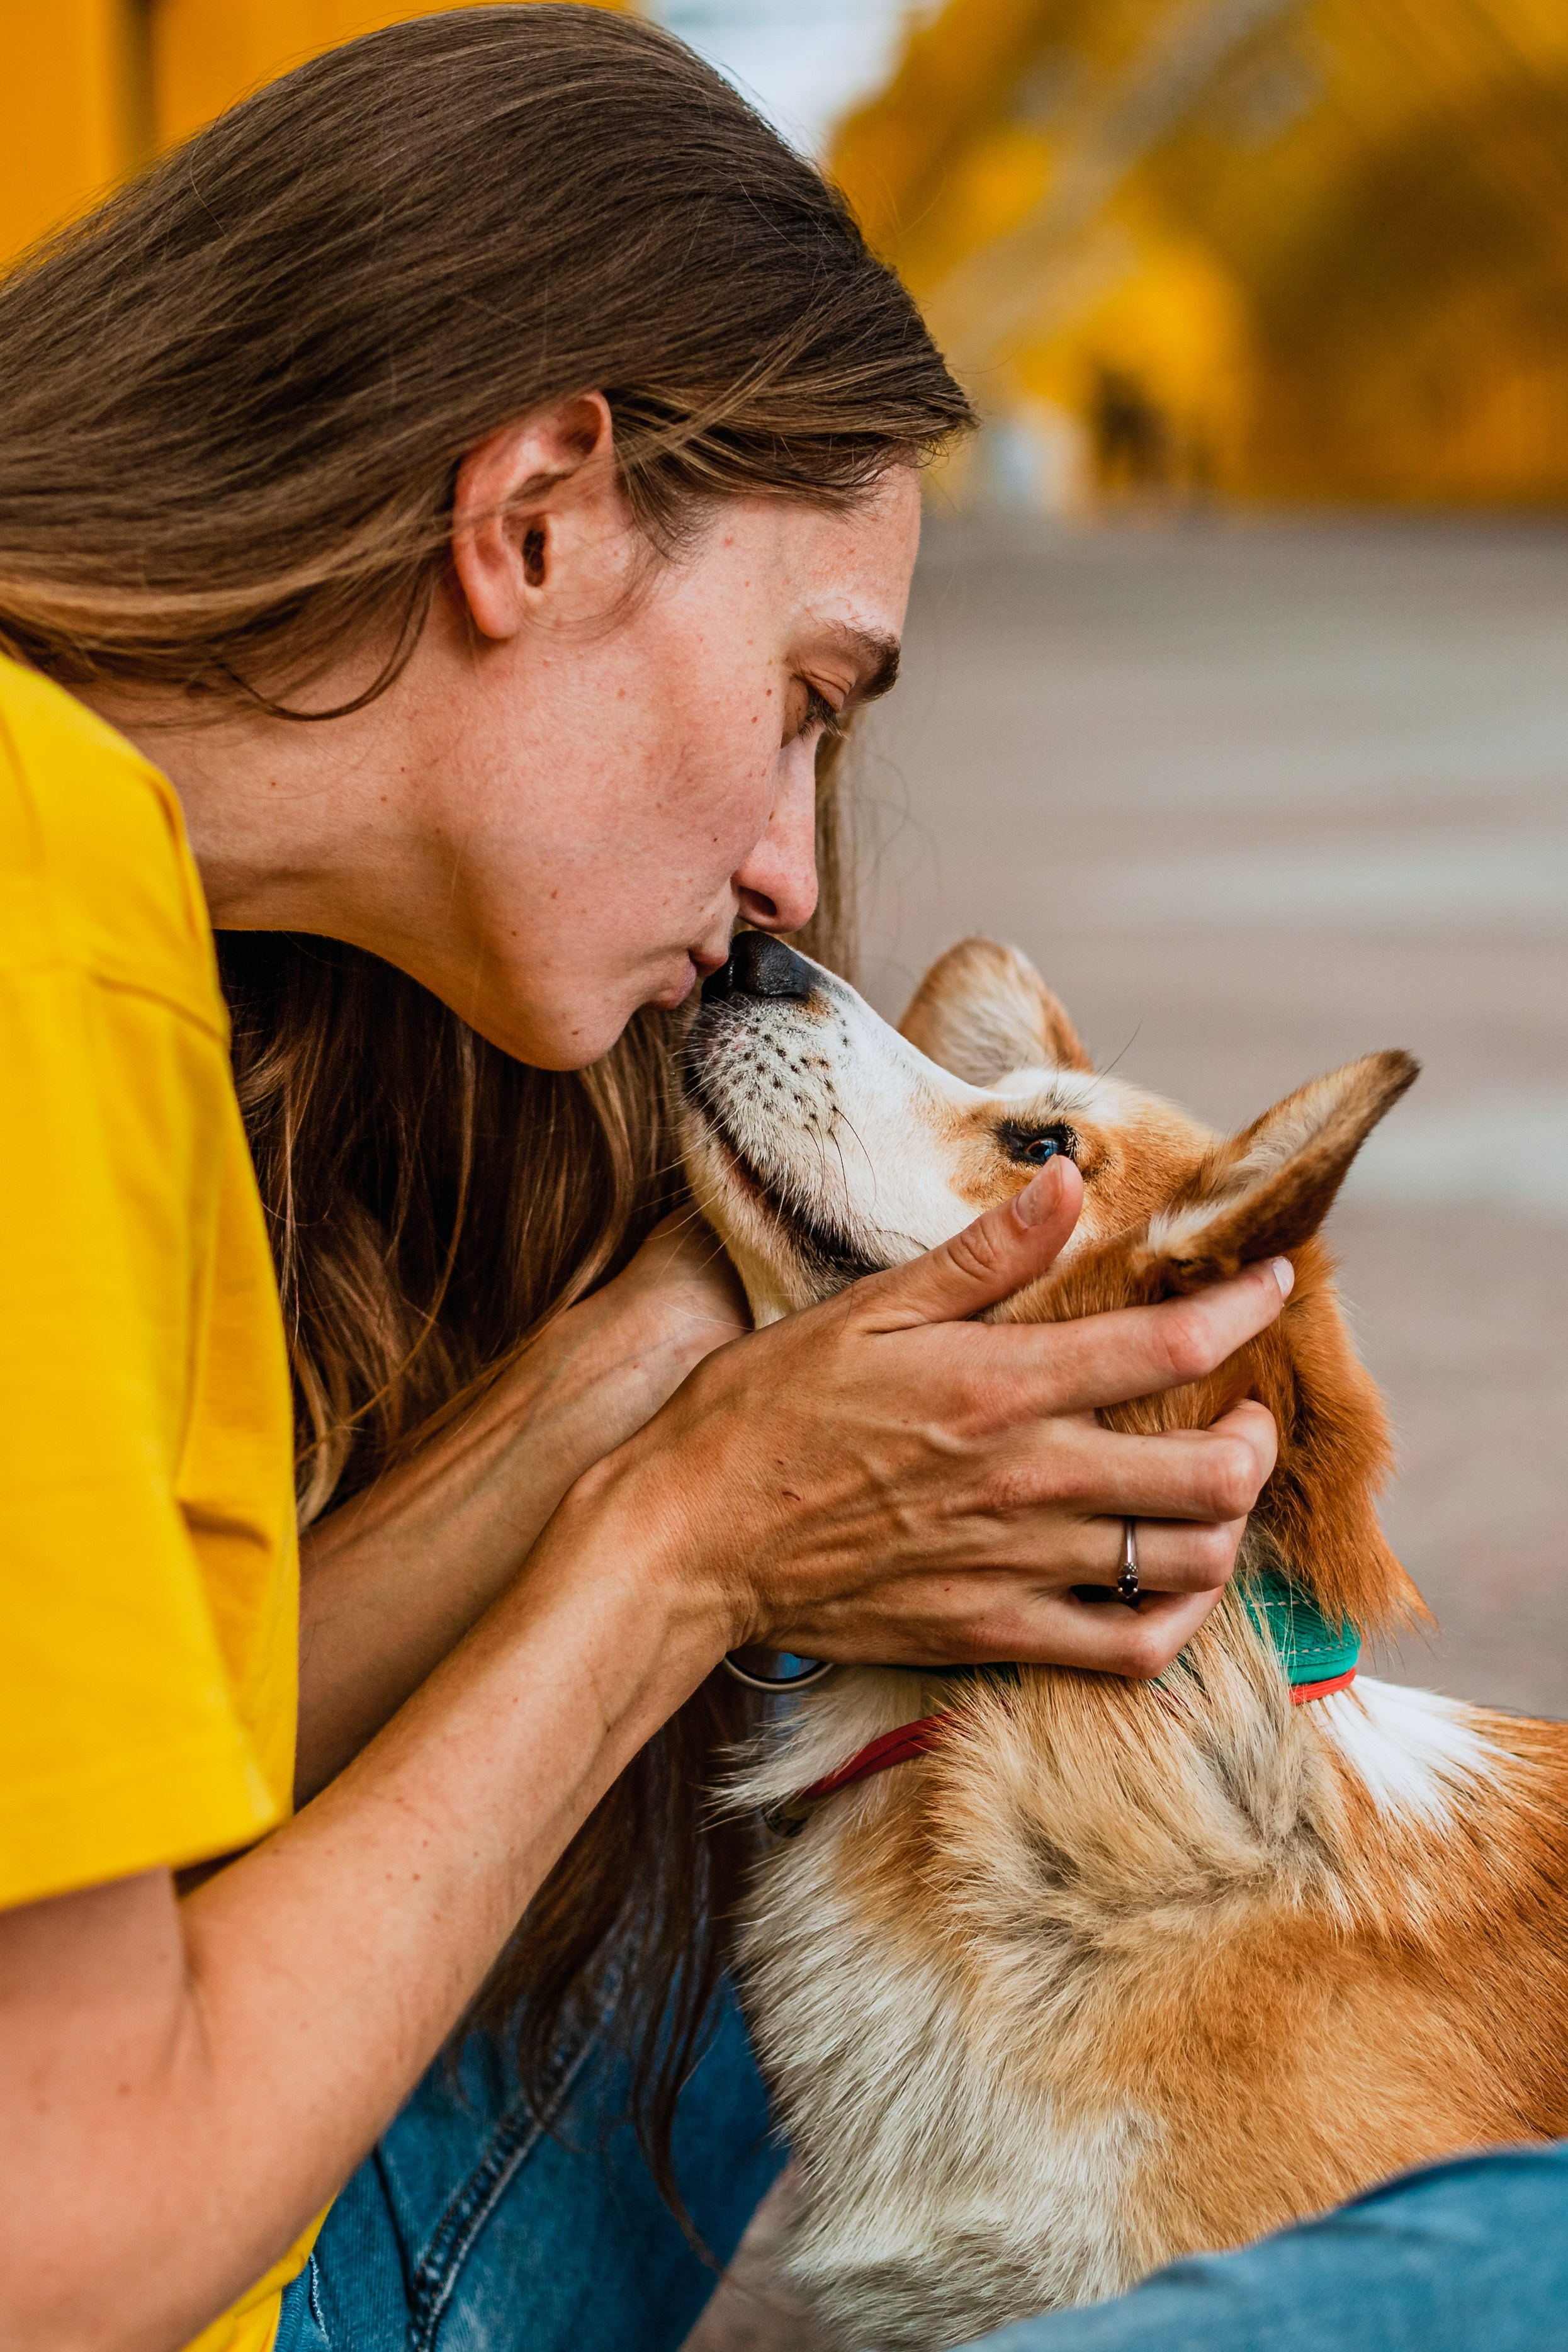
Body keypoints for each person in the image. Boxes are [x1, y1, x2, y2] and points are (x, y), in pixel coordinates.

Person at [0, 13, 1294, 2351]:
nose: (794, 866)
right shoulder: (38, 919)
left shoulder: (100, 866)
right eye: (809, 691)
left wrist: (661, 1367)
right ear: (534, 518)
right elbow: (59, 2238)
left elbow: (103, 1789)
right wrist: (693, 1558)